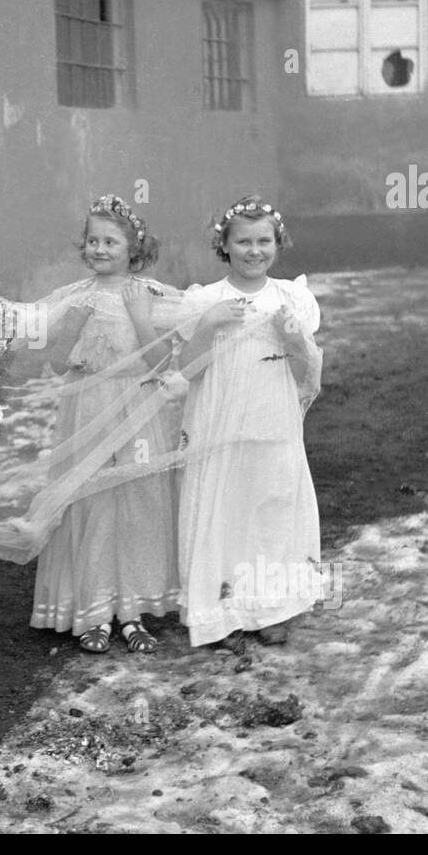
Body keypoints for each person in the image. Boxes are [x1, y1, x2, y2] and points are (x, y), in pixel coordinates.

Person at [30, 196, 181, 653]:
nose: (99, 249)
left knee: (136, 502)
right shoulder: (75, 298)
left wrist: (138, 318)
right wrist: (73, 325)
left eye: (110, 241)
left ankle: (131, 610)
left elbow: (161, 363)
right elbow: (56, 364)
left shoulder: (149, 296)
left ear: (133, 249)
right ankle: (93, 610)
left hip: (136, 410)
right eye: (93, 240)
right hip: (89, 409)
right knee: (90, 501)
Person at [174, 195, 323, 651]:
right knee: (225, 507)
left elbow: (307, 369)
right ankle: (222, 611)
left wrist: (293, 335)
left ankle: (271, 606)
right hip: (219, 423)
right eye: (243, 241)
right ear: (225, 244)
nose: (254, 251)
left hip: (272, 418)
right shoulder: (206, 300)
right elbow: (188, 368)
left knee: (272, 506)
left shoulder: (290, 297)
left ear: (278, 243)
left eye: (264, 241)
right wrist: (208, 326)